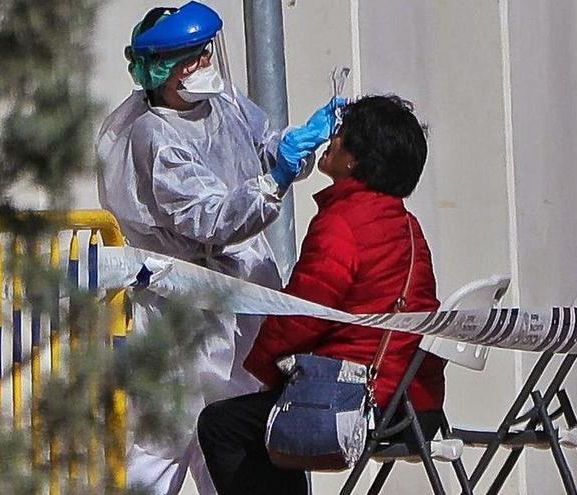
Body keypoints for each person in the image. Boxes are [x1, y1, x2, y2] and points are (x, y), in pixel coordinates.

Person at [95, 2, 340, 493]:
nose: (205, 64)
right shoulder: (152, 136)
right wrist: (275, 181)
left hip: (243, 299)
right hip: (185, 307)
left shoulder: (223, 103)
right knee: (163, 440)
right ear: (162, 69)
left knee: (239, 439)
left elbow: (262, 147)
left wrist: (298, 144)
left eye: (205, 52)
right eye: (190, 57)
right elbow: (212, 218)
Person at [197, 95, 447, 495]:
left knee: (221, 424)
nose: (331, 140)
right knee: (274, 417)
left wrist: (261, 370)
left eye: (341, 135)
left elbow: (303, 314)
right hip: (413, 401)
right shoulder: (407, 225)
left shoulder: (343, 222)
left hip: (362, 400)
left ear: (355, 161)